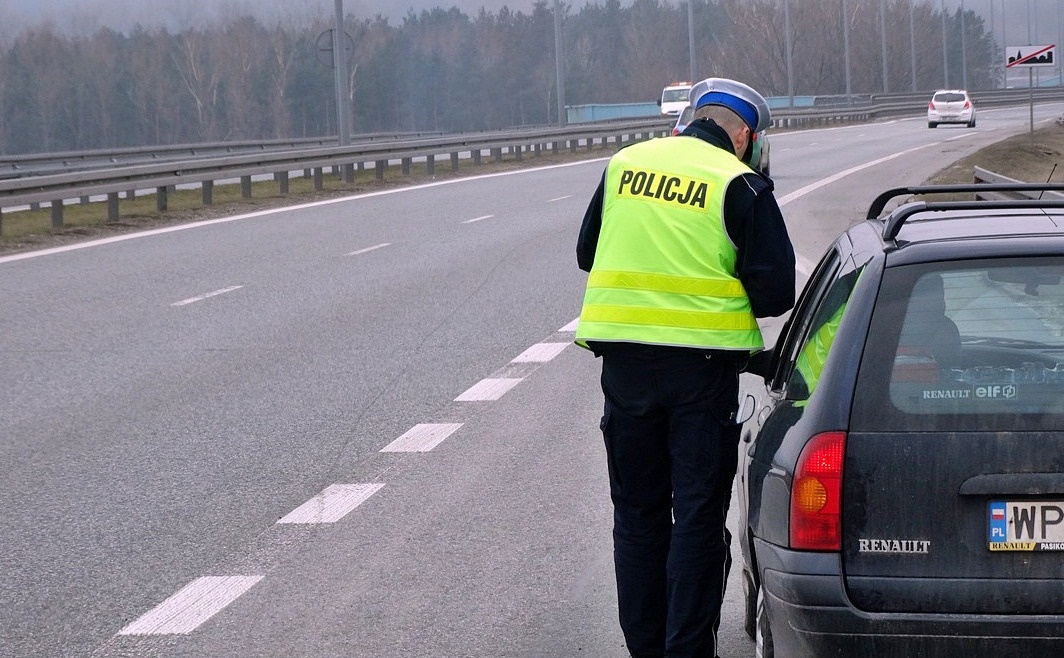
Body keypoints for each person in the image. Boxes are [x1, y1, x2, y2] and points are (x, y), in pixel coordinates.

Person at [575, 77, 796, 658]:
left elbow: (586, 252)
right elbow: (777, 291)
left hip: (625, 374)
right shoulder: (738, 183)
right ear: (745, 136)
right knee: (697, 517)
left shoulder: (625, 165)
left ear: (691, 119)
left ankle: (645, 648)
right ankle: (687, 650)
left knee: (637, 516)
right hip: (701, 378)